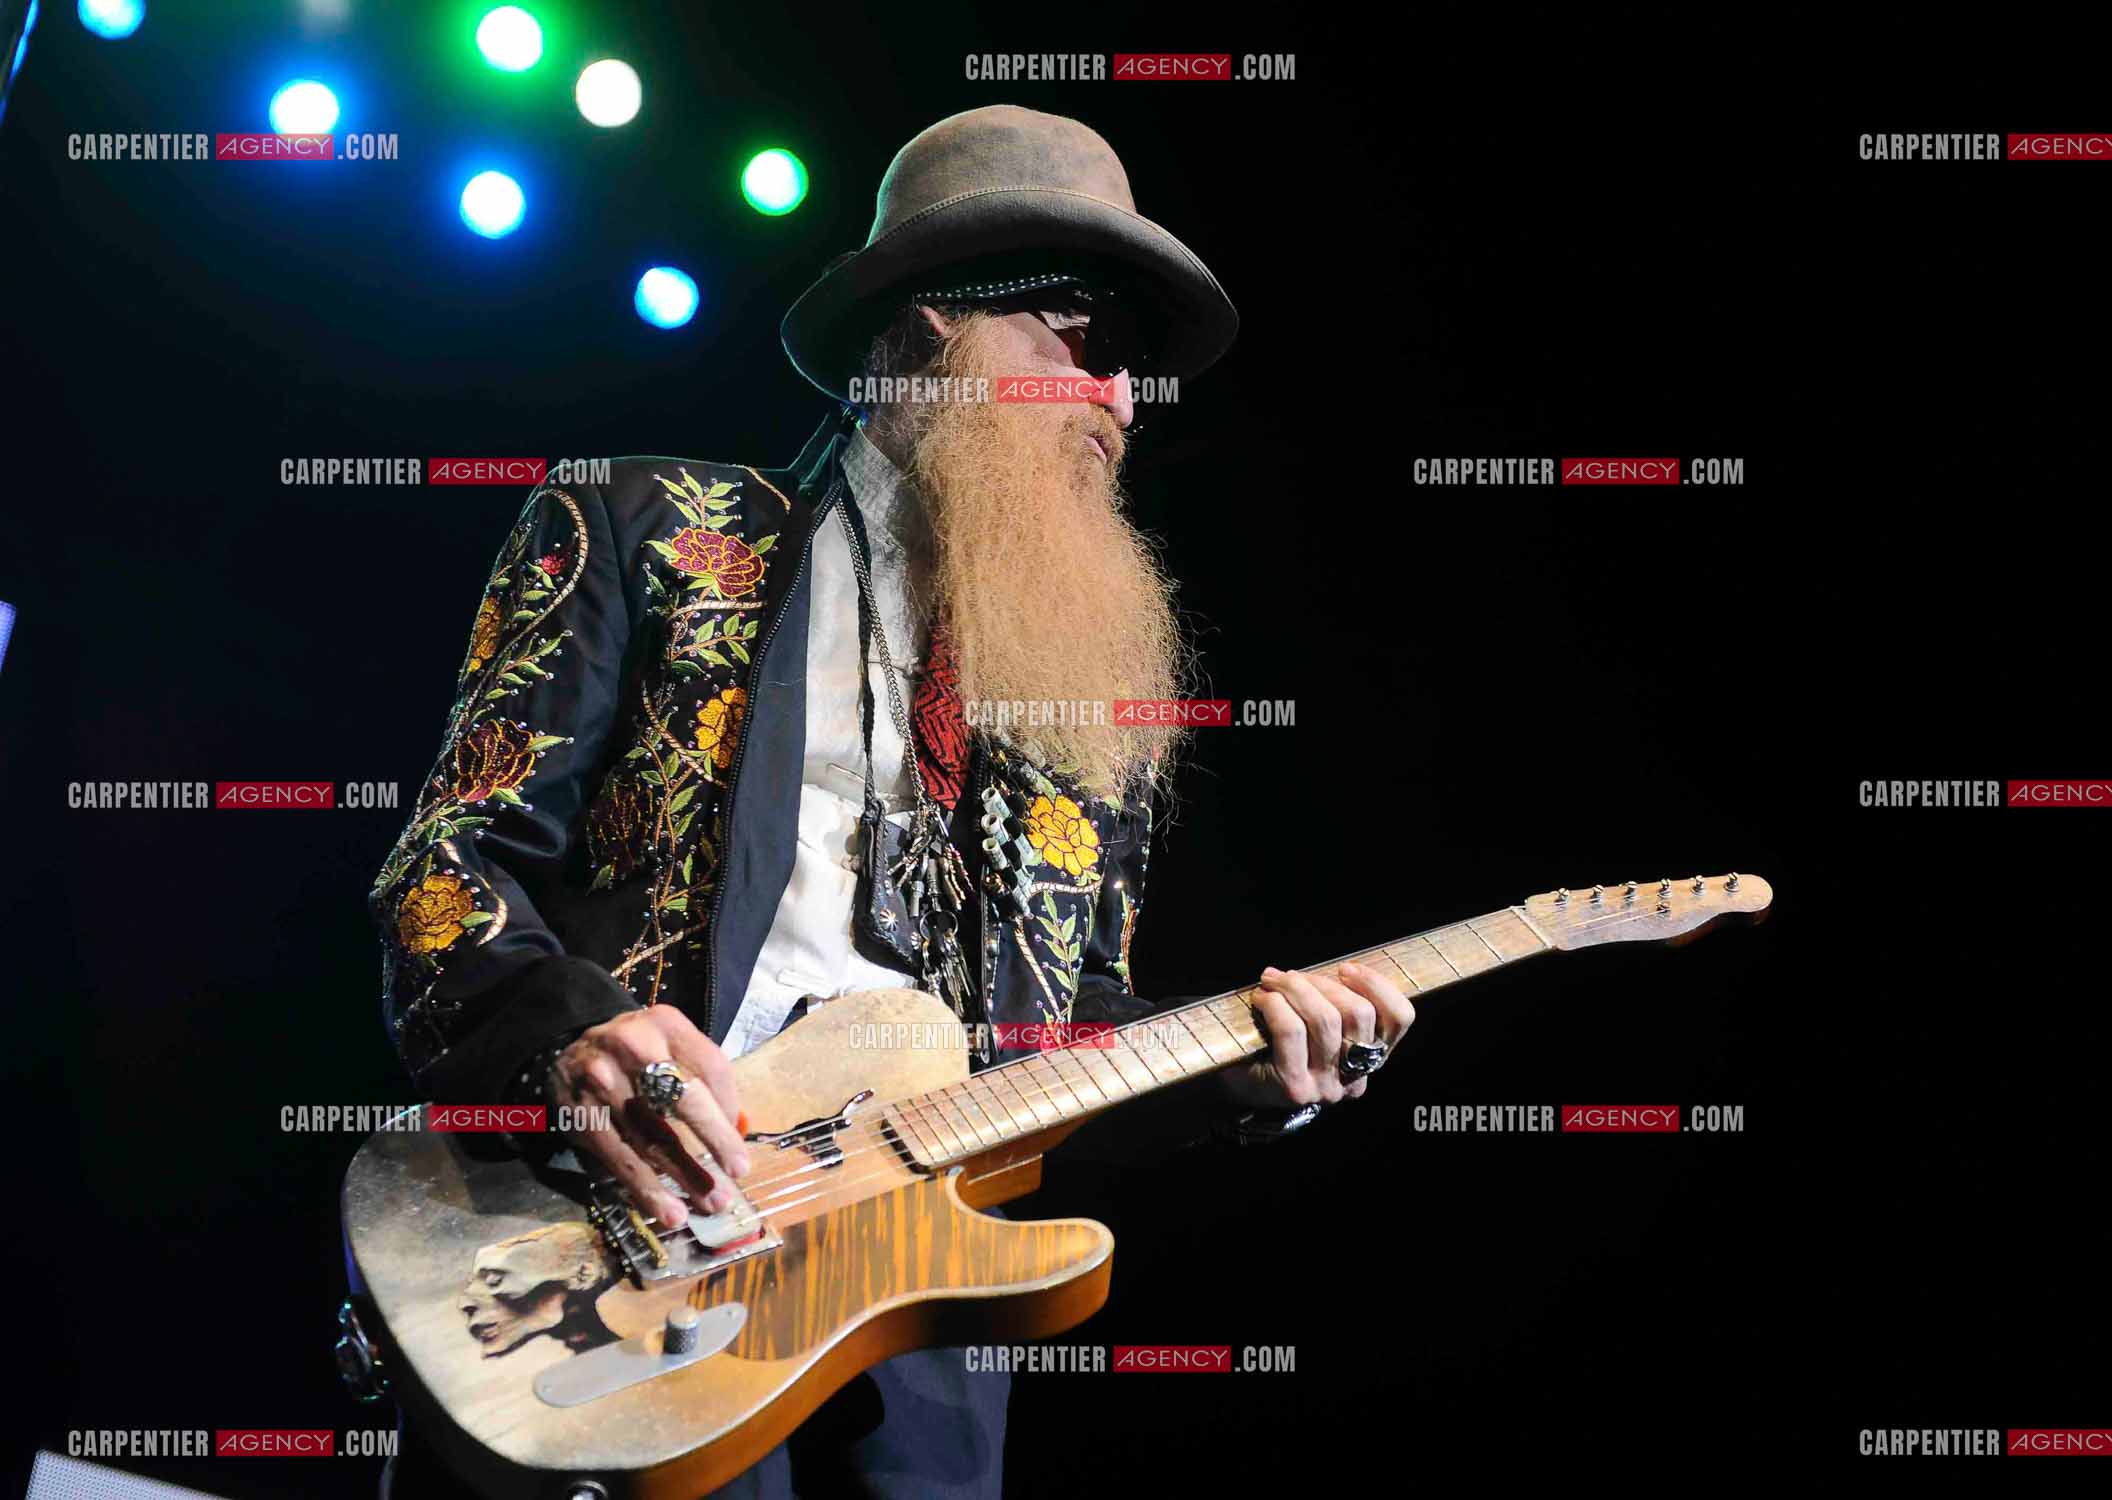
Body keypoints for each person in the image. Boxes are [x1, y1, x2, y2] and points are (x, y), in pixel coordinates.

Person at [371, 104, 1414, 1498]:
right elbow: (446, 869)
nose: (1119, 396)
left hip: (914, 1327)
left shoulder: (1087, 703)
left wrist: (1250, 1062)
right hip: (623, 1239)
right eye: (1084, 339)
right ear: (934, 329)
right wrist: (580, 1044)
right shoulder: (647, 529)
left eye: (1137, 371)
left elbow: (1064, 1045)